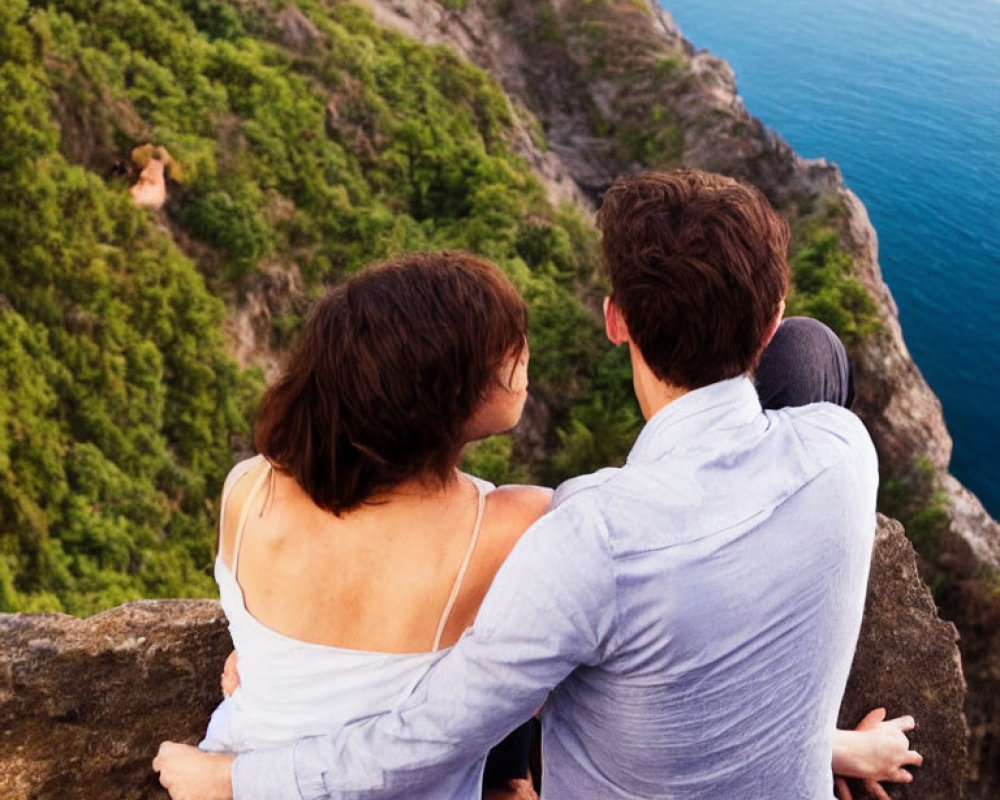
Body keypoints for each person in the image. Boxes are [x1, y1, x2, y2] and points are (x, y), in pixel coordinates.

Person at [155, 171, 920, 798]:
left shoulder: (584, 536)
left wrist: (234, 776)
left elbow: (429, 734)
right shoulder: (843, 449)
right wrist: (830, 746)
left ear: (617, 322)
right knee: (816, 353)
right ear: (768, 321)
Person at [184, 251, 550, 798]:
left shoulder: (248, 488)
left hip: (235, 765)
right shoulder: (513, 527)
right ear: (446, 387)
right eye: (510, 347)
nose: (524, 356)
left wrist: (256, 657)